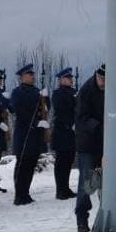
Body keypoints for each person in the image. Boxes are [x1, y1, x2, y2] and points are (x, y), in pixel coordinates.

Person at [10, 64, 51, 205]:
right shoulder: (17, 92)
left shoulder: (37, 91)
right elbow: (18, 111)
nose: (33, 76)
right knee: (22, 166)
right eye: (29, 74)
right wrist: (34, 123)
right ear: (22, 77)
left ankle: (25, 193)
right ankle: (19, 195)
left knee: (31, 164)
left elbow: (45, 109)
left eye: (33, 74)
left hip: (36, 136)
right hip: (24, 134)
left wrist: (46, 98)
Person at [74, 65, 105, 232]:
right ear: (97, 76)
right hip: (87, 143)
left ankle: (104, 215)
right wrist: (99, 126)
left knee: (106, 182)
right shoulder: (86, 90)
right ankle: (81, 218)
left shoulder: (111, 88)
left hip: (105, 143)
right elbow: (81, 117)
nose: (103, 82)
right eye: (101, 79)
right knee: (86, 182)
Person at [49, 68, 77, 199]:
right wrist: (71, 124)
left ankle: (65, 188)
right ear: (61, 80)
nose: (71, 79)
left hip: (72, 135)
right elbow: (61, 112)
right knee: (61, 163)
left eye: (71, 77)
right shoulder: (58, 93)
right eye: (67, 78)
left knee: (68, 161)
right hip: (62, 133)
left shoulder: (74, 92)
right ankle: (60, 190)